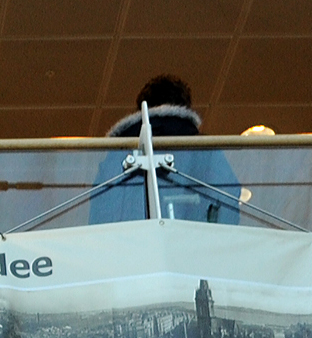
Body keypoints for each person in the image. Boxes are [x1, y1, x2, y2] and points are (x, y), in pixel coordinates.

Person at [89, 75, 240, 226]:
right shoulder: (207, 152)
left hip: (131, 244)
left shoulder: (117, 153)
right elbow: (227, 199)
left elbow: (101, 212)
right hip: (192, 243)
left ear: (141, 109)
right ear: (184, 108)